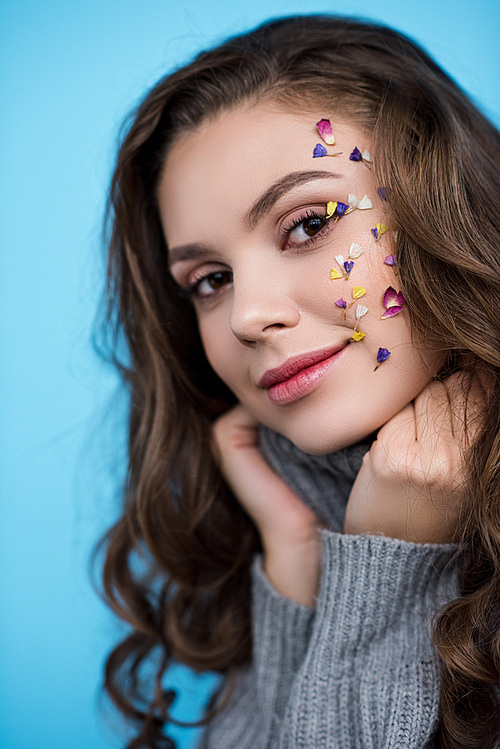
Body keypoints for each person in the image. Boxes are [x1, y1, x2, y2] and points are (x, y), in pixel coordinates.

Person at [97, 14, 500, 749]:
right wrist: (302, 563)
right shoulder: (283, 522)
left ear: (446, 203)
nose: (248, 315)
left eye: (308, 225)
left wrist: (385, 572)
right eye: (210, 279)